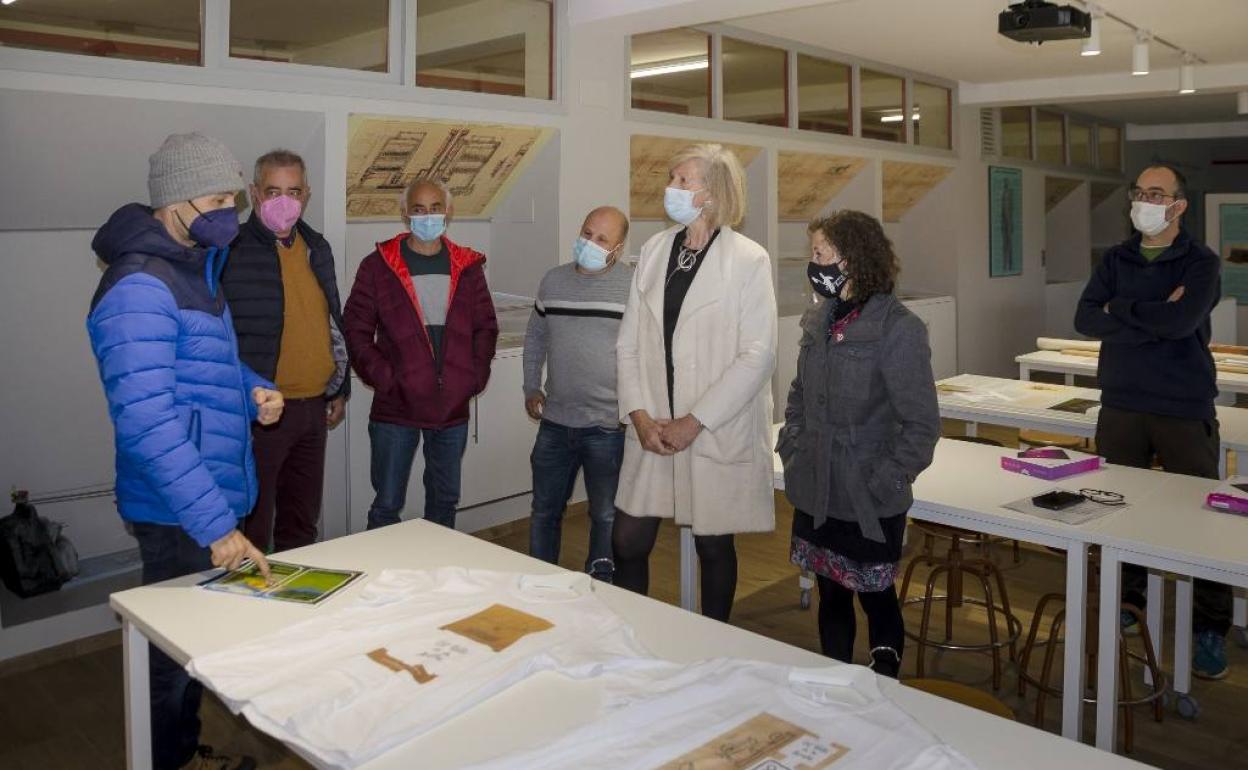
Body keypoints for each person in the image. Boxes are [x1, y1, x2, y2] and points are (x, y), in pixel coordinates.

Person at [86, 132, 283, 770]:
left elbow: (208, 365)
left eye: (233, 196)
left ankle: (179, 752)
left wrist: (253, 390)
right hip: (179, 509)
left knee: (190, 646)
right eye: (218, 197)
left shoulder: (191, 264)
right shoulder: (140, 284)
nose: (231, 210)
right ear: (173, 203)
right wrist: (214, 525)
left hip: (206, 493)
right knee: (169, 658)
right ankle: (165, 761)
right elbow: (147, 419)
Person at [1074, 163, 1232, 680]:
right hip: (1120, 401)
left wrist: (1121, 313)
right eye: (1139, 192)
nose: (1144, 200)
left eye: (1156, 193)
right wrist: (1151, 315)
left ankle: (1210, 627)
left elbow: (1183, 323)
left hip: (1182, 404)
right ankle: (1129, 601)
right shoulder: (1116, 258)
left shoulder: (1200, 263)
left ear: (1179, 205)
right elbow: (1085, 318)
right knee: (1118, 508)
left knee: (1199, 516)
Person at [614, 143, 777, 623]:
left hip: (709, 425)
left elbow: (758, 355)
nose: (672, 188)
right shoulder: (654, 249)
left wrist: (694, 421)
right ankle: (634, 633)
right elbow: (628, 342)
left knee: (713, 543)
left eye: (685, 181)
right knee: (627, 539)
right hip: (653, 422)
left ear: (714, 192)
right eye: (672, 177)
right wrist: (639, 415)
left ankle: (715, 639)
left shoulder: (748, 260)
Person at [776, 211, 940, 678]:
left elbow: (921, 424)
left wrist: (883, 480)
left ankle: (883, 688)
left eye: (820, 253)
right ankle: (837, 682)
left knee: (876, 594)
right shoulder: (819, 319)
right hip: (818, 484)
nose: (814, 263)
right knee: (830, 591)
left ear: (852, 259)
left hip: (868, 493)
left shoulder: (899, 327)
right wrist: (794, 443)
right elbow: (799, 394)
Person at [344, 178, 498, 530]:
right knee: (386, 504)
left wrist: (472, 377)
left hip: (451, 408)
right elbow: (355, 329)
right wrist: (387, 379)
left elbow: (485, 327)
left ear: (448, 212)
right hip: (396, 408)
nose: (427, 216)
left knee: (444, 501)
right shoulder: (378, 266)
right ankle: (379, 579)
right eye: (418, 209)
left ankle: (438, 578)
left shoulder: (467, 266)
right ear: (404, 214)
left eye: (434, 208)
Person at [221, 149, 350, 553]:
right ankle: (248, 611)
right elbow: (221, 337)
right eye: (274, 190)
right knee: (253, 524)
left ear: (306, 194)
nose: (284, 201)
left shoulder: (317, 248)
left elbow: (331, 320)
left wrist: (338, 388)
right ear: (254, 193)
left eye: (293, 191)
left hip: (313, 407)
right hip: (263, 414)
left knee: (301, 523)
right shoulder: (231, 250)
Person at [523, 206, 633, 580]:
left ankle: (600, 586)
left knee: (604, 514)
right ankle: (540, 583)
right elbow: (536, 337)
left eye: (602, 239)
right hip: (555, 421)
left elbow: (646, 353)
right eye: (587, 233)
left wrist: (632, 410)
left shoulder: (631, 286)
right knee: (544, 511)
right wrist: (530, 386)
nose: (591, 243)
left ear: (617, 248)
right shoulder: (552, 281)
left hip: (607, 426)